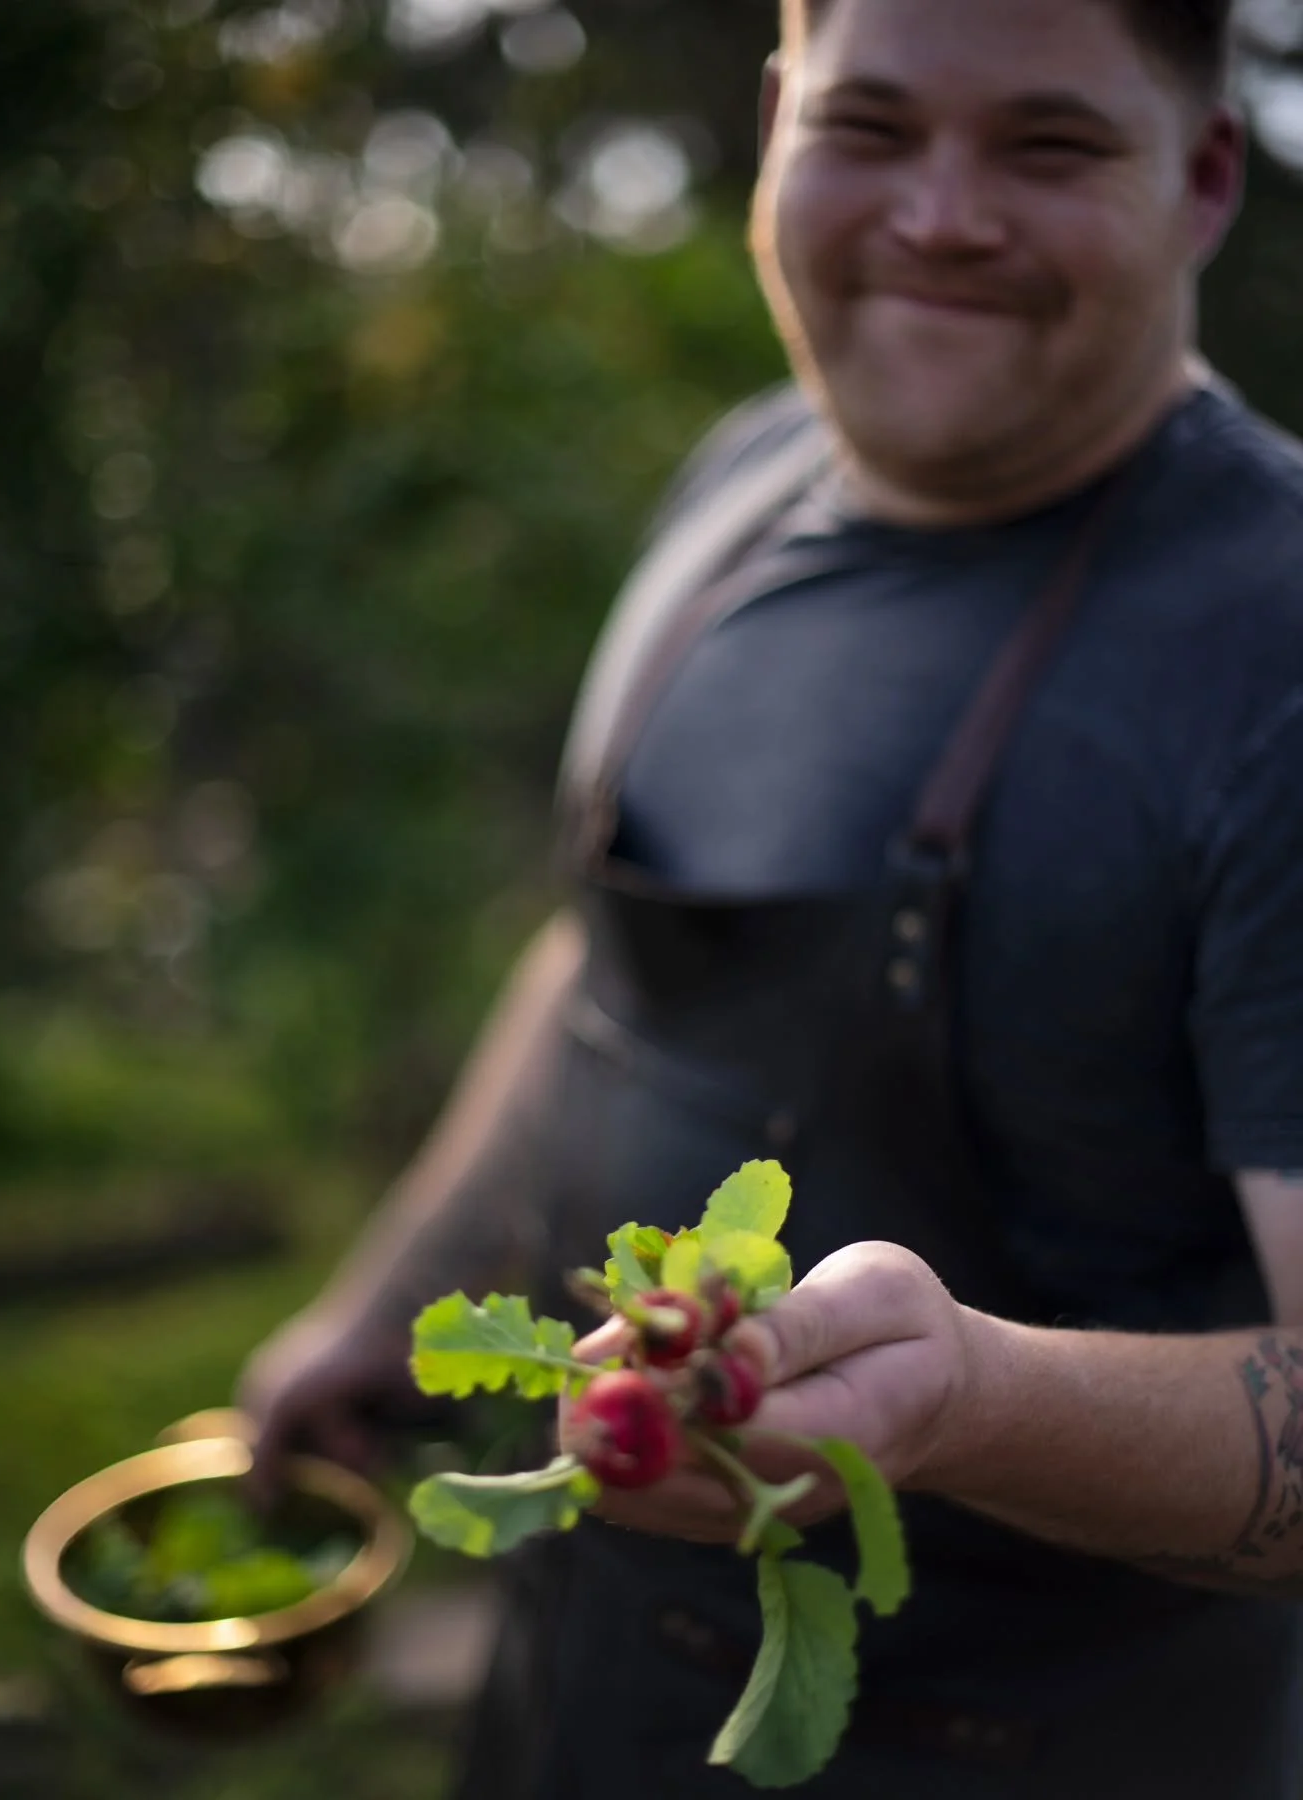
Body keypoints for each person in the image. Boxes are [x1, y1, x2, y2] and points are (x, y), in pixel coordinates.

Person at [238, 0, 1303, 1792]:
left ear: (1200, 179)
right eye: (871, 127)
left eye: (1045, 146)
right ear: (773, 124)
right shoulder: (742, 485)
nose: (941, 216)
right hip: (581, 1703)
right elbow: (607, 965)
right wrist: (383, 1298)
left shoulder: (1272, 656)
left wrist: (965, 1399)